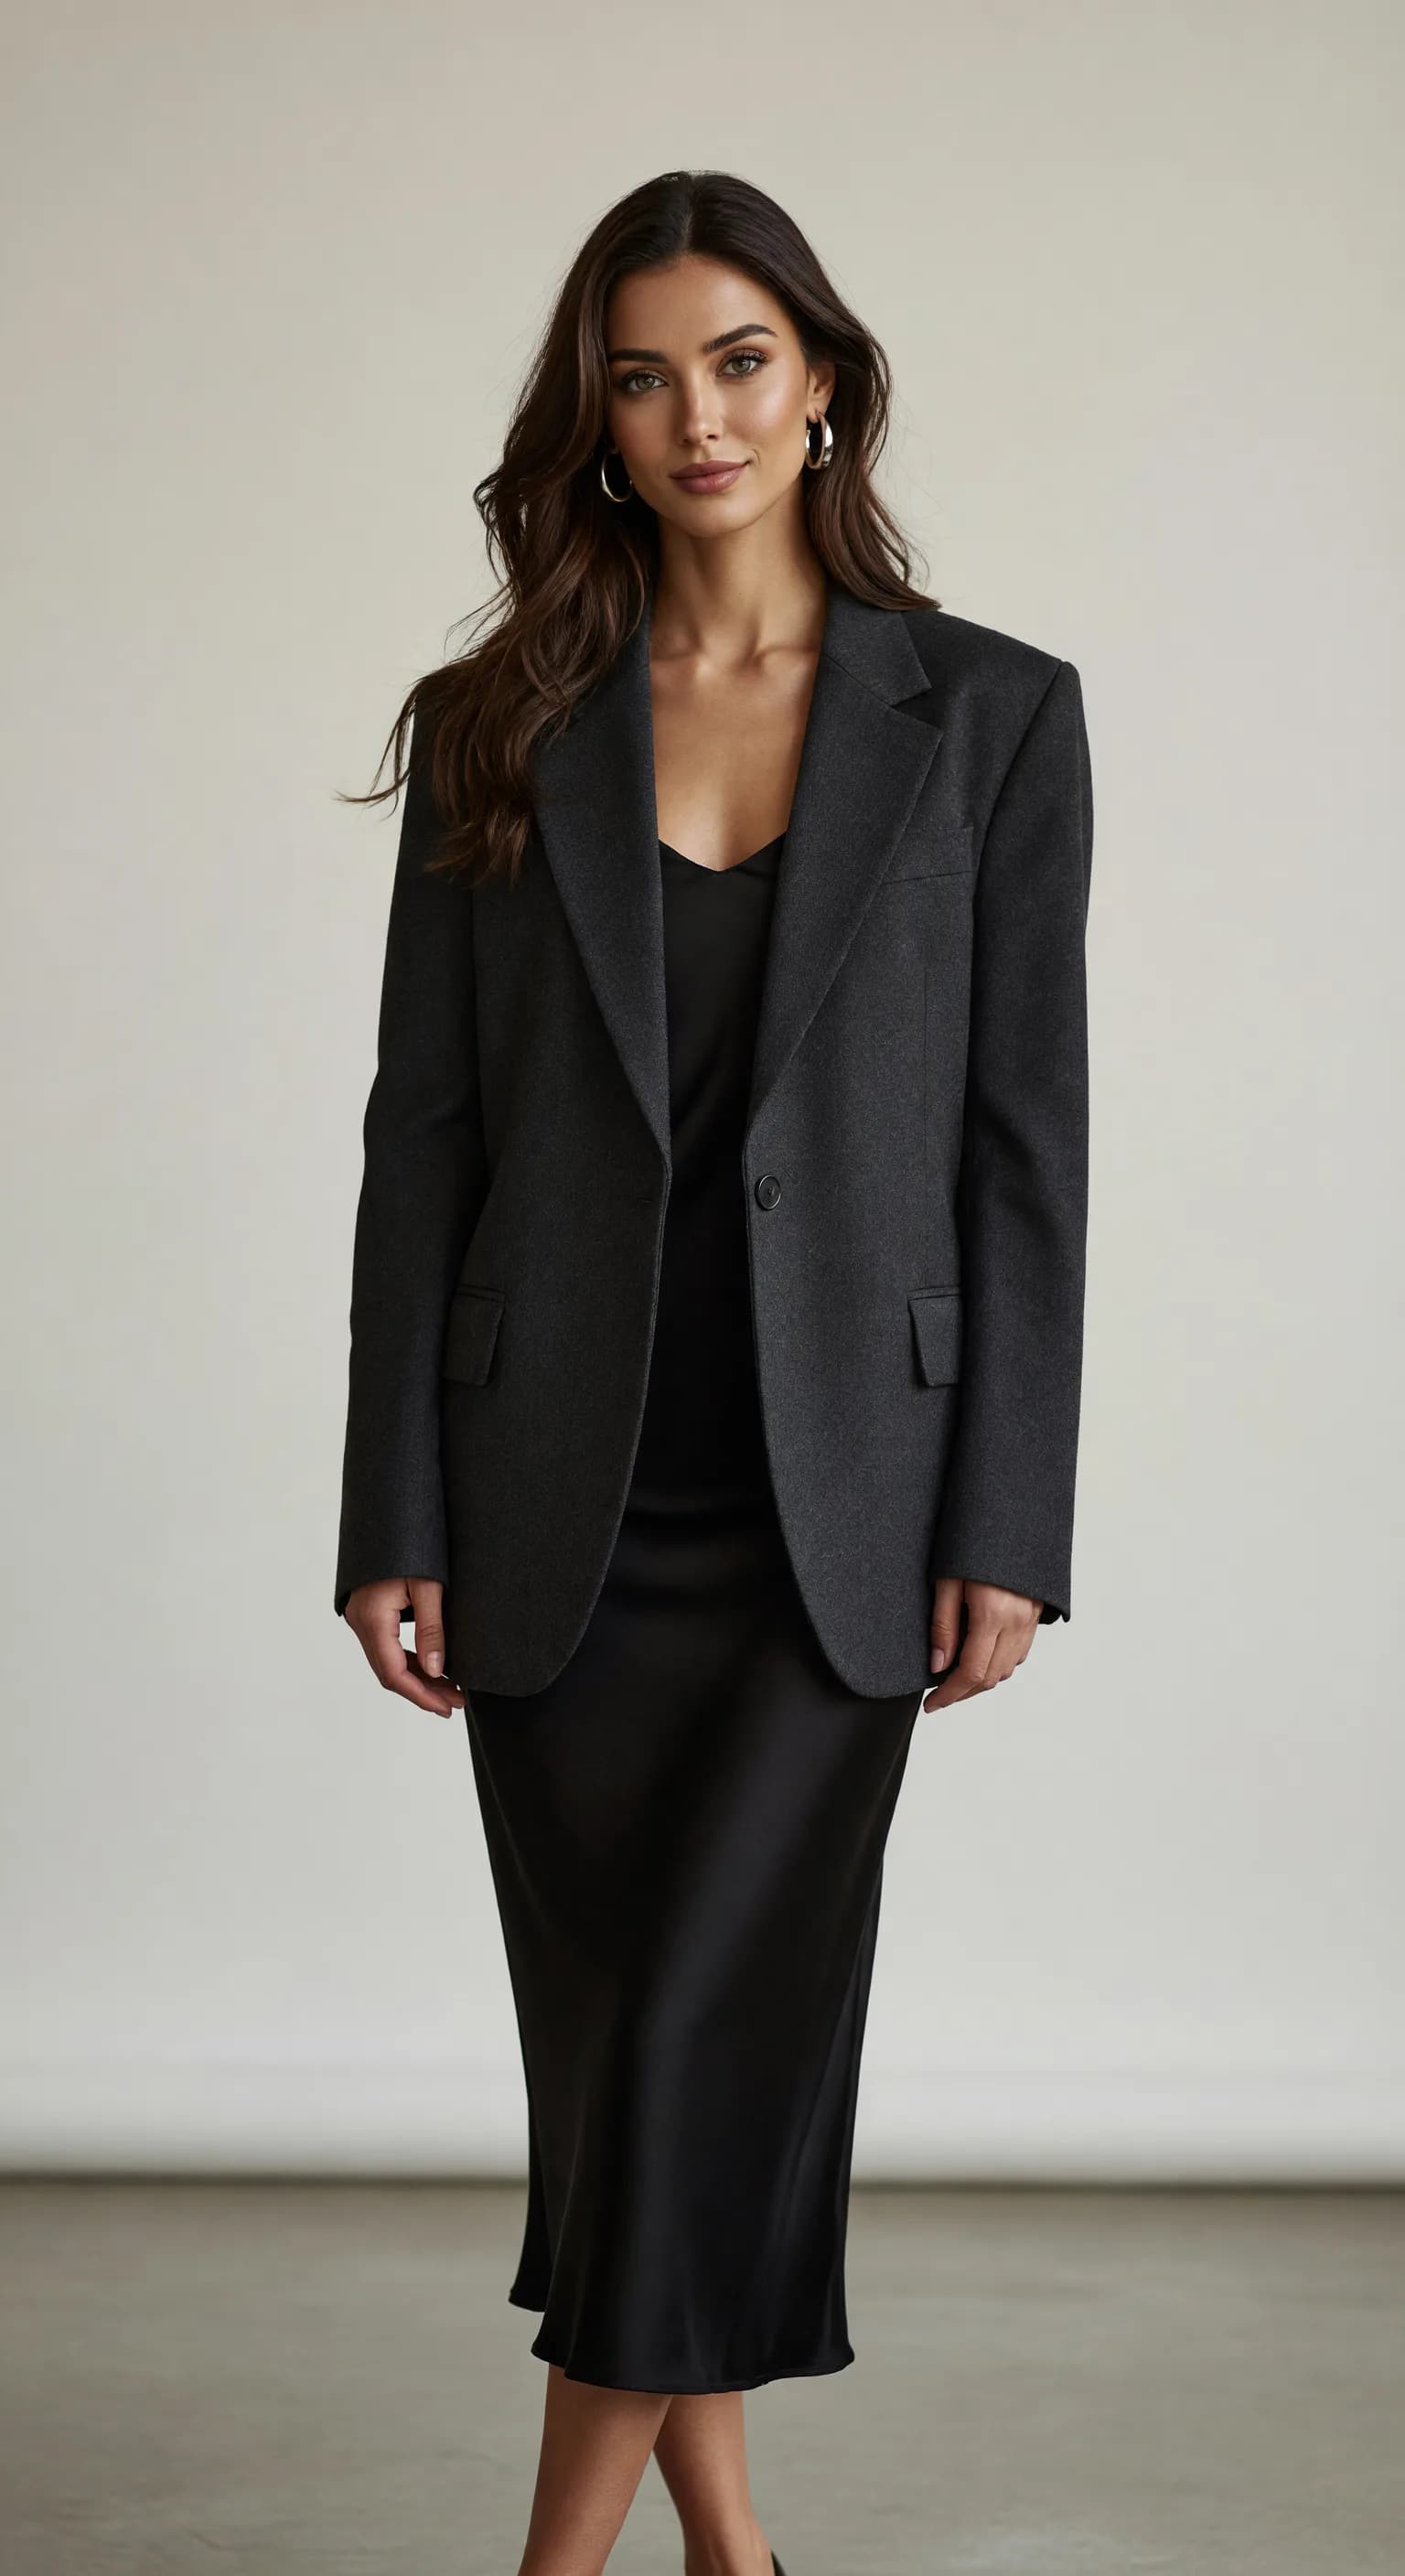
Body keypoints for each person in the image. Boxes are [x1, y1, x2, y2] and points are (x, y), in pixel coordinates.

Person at [334, 167, 1093, 2576]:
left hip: (835, 1509)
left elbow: (1025, 1158)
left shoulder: (991, 720)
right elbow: (418, 1150)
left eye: (741, 358)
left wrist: (1010, 1523)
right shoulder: (499, 722)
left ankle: (551, 2564)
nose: (696, 414)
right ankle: (735, 2549)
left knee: (686, 2045)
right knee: (644, 2060)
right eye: (643, 373)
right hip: (549, 1490)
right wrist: (392, 1519)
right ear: (597, 413)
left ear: (828, 378)